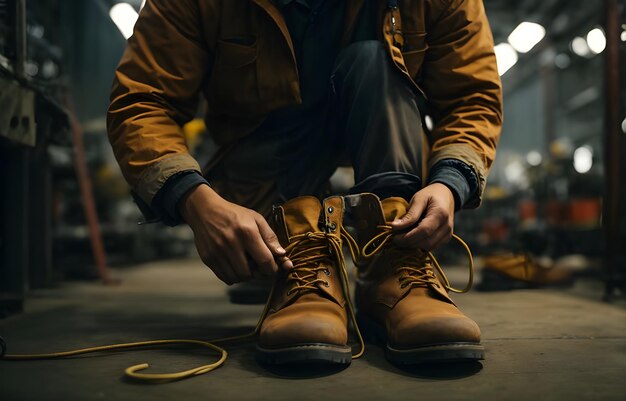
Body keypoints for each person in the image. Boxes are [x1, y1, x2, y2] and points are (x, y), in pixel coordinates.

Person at [107, 0, 502, 367]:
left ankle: (394, 264)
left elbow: (471, 96)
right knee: (292, 122)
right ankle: (302, 265)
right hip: (264, 162)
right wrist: (193, 199)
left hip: (386, 136)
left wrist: (451, 182)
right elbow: (143, 102)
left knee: (376, 60)